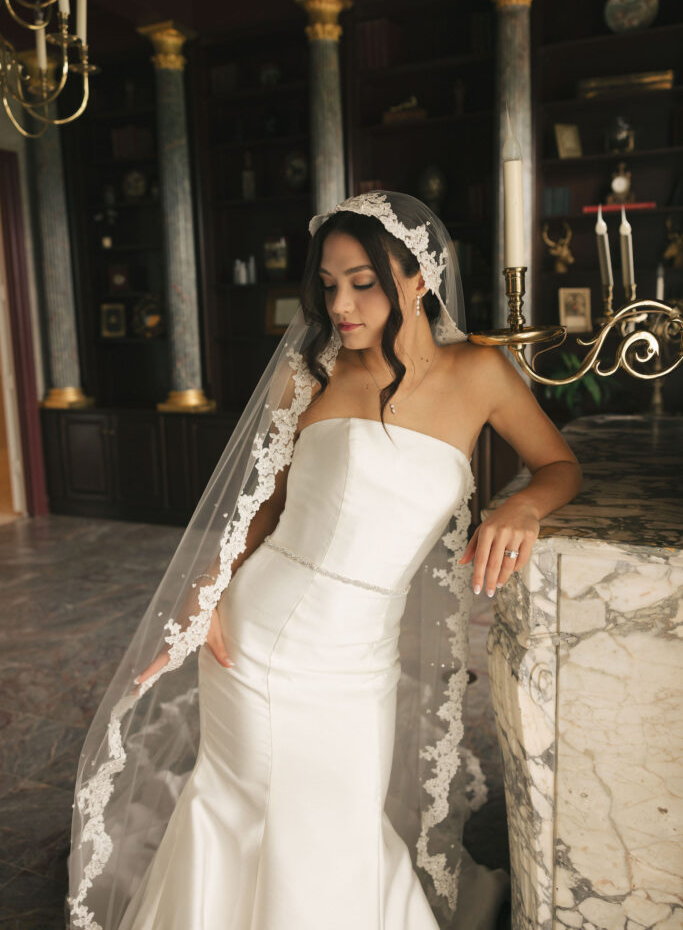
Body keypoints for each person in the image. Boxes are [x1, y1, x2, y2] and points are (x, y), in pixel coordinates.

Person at [67, 191, 582, 930]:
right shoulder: (308, 375)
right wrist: (205, 594)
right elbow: (258, 511)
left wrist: (522, 506)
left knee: (338, 817)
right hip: (264, 636)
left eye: (362, 282)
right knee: (260, 811)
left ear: (417, 279)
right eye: (330, 284)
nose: (341, 303)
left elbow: (559, 464)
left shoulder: (481, 374)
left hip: (363, 652)